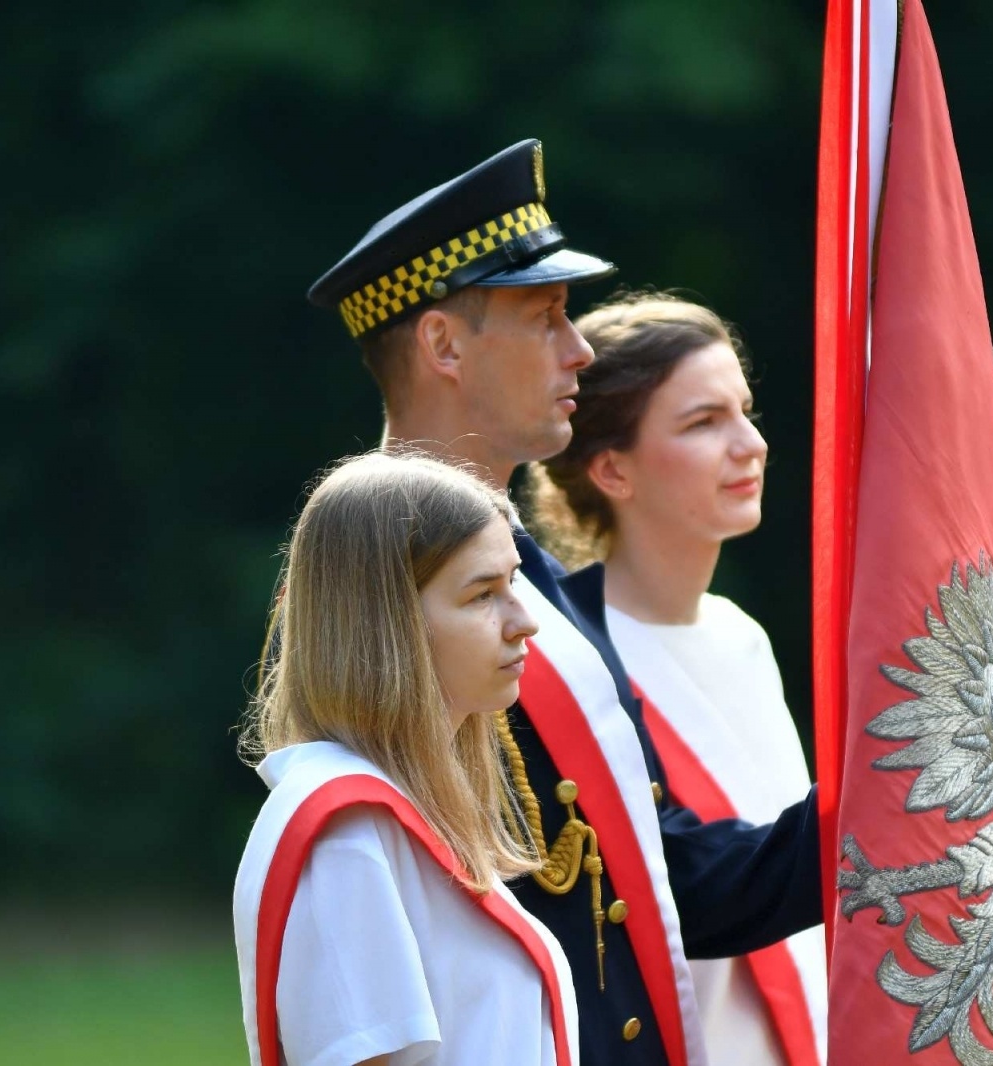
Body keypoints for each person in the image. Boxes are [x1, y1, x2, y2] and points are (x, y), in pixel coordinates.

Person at [304, 138, 822, 1066]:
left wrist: (890, 800)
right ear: (442, 343)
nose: (579, 349)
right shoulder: (373, 579)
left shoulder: (535, 578)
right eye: (545, 316)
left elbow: (658, 876)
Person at [525, 292, 827, 1064]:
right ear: (611, 470)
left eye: (745, 411)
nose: (749, 444)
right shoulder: (573, 660)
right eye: (703, 423)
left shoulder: (741, 635)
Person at [232, 451, 579, 1066]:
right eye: (482, 595)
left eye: (514, 583)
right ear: (385, 624)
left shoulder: (395, 812)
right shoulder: (346, 832)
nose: (525, 621)